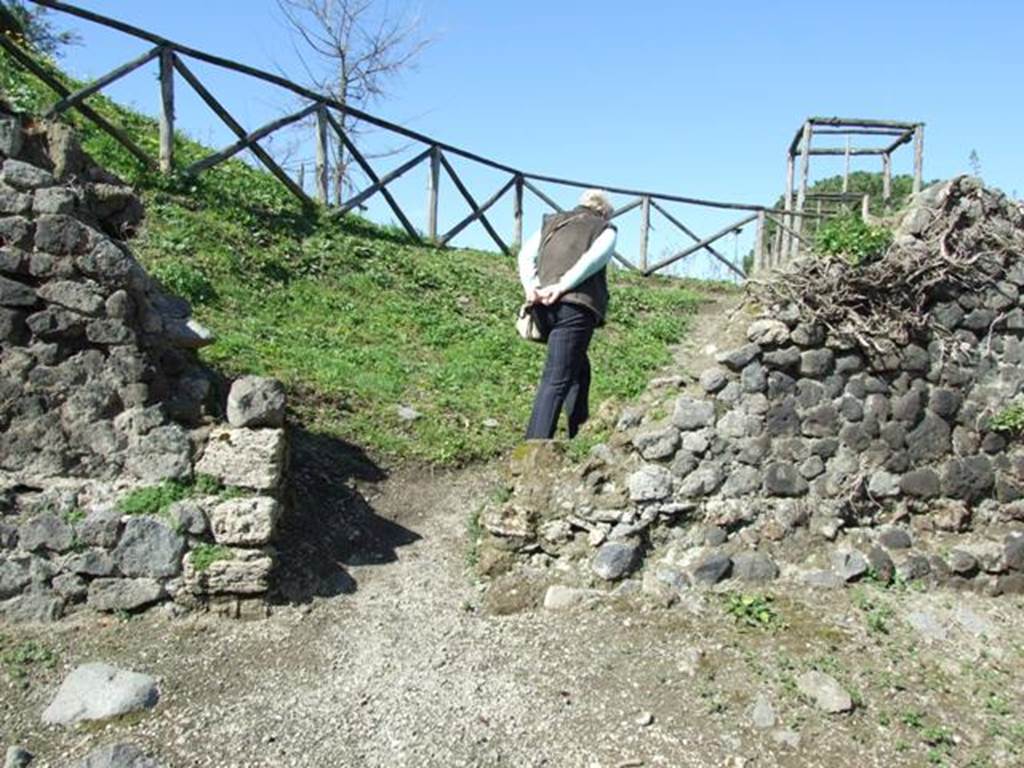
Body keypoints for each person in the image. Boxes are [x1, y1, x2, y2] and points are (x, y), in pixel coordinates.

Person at [518, 188, 618, 439]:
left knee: (578, 367)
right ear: (604, 212)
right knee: (556, 379)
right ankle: (533, 448)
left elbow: (525, 256)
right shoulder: (604, 229)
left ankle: (579, 429)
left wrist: (532, 287)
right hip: (574, 307)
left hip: (542, 305)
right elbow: (592, 260)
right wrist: (562, 286)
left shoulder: (552, 222)